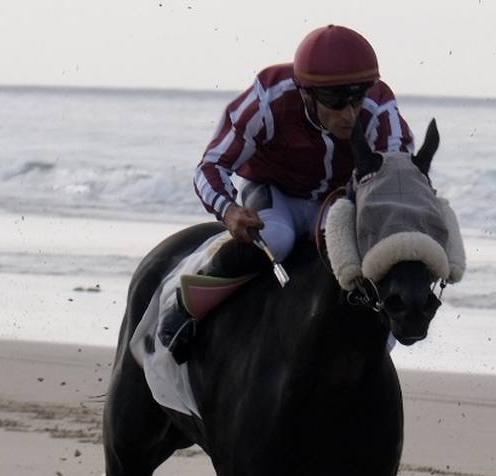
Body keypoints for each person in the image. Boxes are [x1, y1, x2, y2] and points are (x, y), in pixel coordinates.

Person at [161, 24, 415, 360]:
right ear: (306, 93)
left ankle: (379, 342)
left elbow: (399, 178)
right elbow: (211, 166)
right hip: (273, 193)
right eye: (337, 103)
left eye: (357, 100)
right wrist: (230, 210)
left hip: (339, 200)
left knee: (361, 250)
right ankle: (188, 306)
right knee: (278, 239)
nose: (350, 115)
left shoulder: (380, 108)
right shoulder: (269, 97)